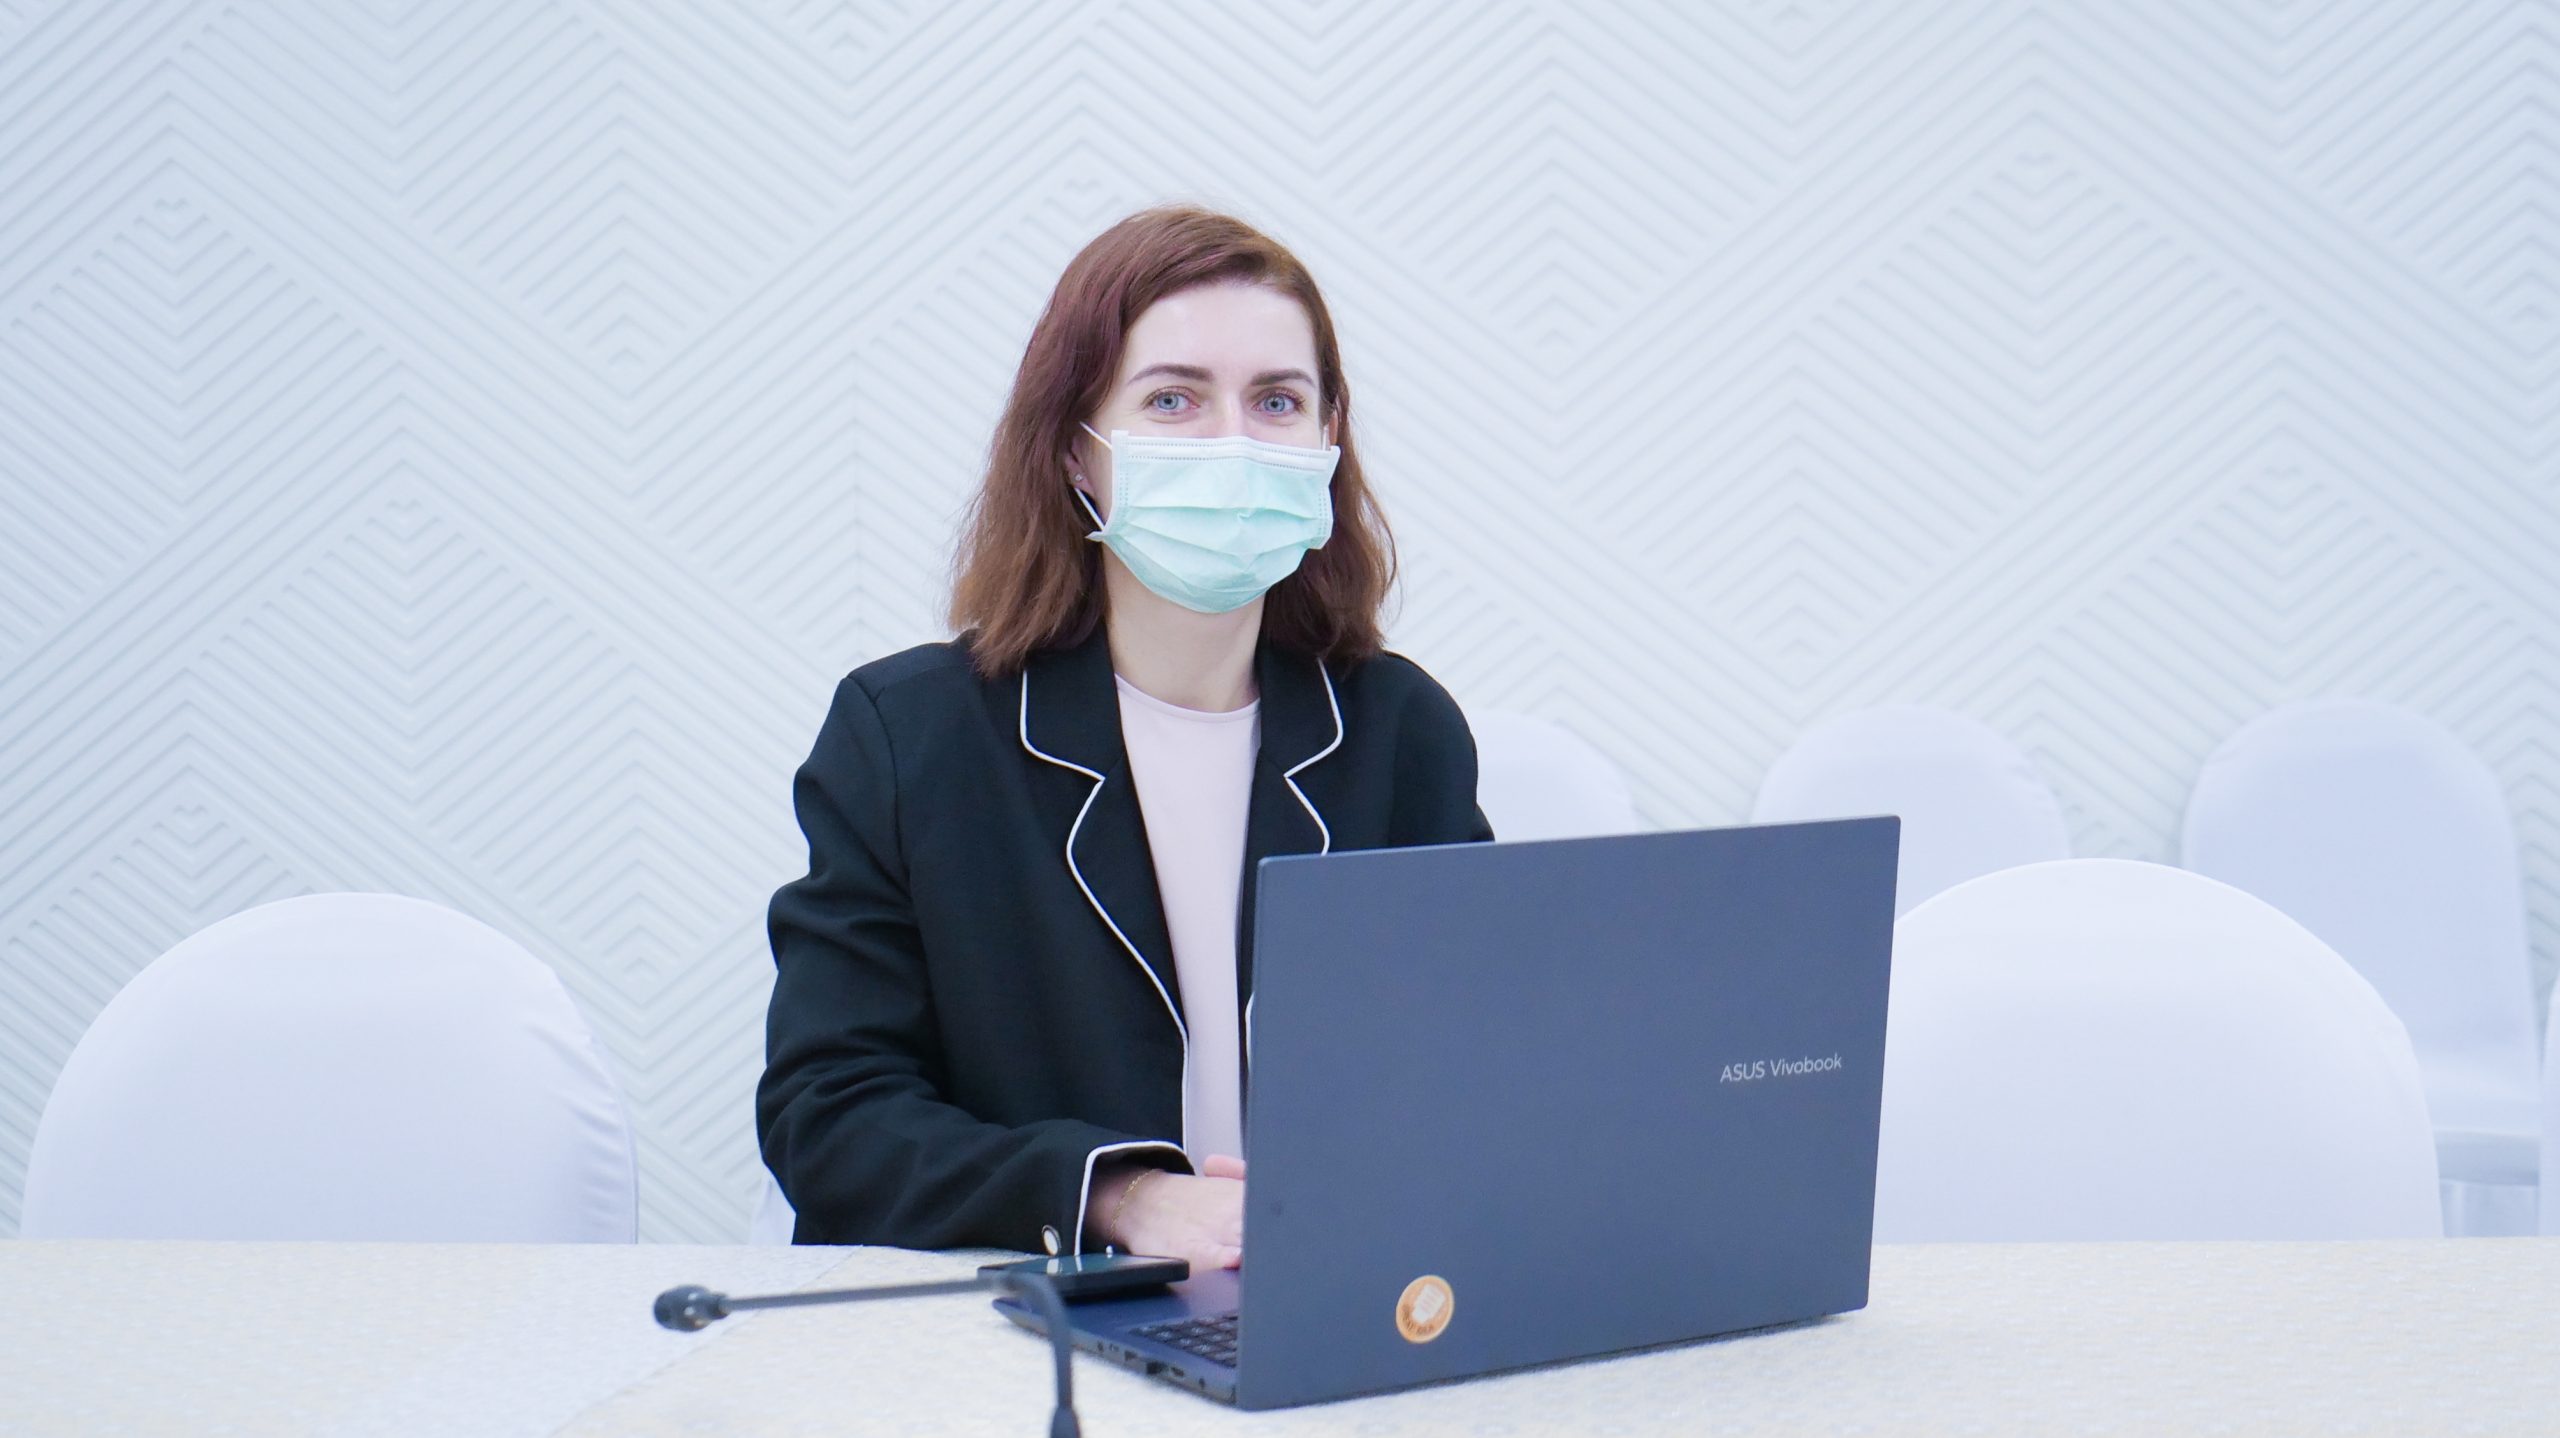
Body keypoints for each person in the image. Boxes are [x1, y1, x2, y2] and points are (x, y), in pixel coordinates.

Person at [758, 206, 1492, 1272]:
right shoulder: (911, 736)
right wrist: (1122, 1196)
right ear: (1077, 450)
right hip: (1042, 1320)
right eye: (1172, 399)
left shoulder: (1399, 731)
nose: (1233, 441)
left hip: (1335, 1302)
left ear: (1326, 442)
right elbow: (829, 1115)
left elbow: (1478, 1077)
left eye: (1276, 401)